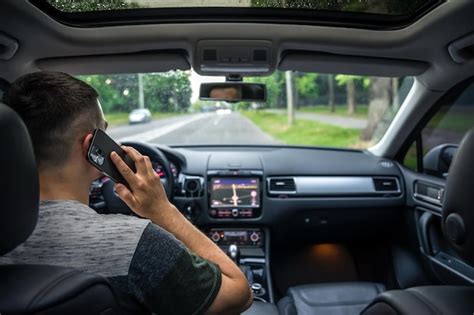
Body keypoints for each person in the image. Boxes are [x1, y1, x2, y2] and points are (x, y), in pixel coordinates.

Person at [0, 71, 252, 314]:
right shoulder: (133, 243)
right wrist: (162, 210)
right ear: (92, 147)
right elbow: (239, 294)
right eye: (105, 132)